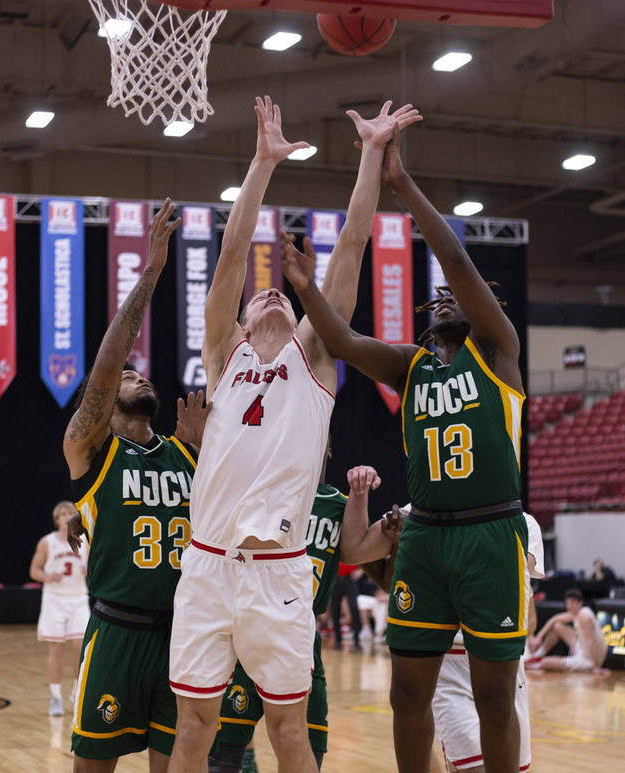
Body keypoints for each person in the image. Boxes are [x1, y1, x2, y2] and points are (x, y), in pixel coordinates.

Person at [167, 95, 421, 773]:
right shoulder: (227, 359)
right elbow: (228, 260)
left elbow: (352, 247)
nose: (270, 293)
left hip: (278, 573)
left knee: (288, 732)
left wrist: (371, 152)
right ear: (243, 324)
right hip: (207, 563)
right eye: (261, 296)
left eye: (280, 291)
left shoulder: (313, 363)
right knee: (192, 726)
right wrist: (261, 162)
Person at [281, 116, 530, 773]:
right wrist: (307, 288)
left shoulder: (499, 352)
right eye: (441, 300)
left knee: (494, 698)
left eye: (463, 299)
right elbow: (341, 341)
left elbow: (454, 258)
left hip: (488, 534)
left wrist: (402, 182)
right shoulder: (407, 365)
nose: (450, 299)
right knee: (404, 691)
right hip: (424, 538)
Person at [63, 198, 202, 772]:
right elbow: (108, 359)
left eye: (141, 373)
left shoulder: (186, 453)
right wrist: (151, 272)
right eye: (128, 375)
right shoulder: (91, 449)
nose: (138, 374)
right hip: (117, 633)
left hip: (183, 637)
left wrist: (200, 447)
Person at [207, 461, 400, 773]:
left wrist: (363, 499)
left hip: (301, 638)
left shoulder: (339, 506)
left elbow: (369, 561)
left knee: (307, 754)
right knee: (224, 758)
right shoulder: (258, 494)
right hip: (246, 629)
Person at [431, 511, 545, 772]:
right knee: (472, 768)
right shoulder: (425, 511)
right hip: (451, 662)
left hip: (506, 663)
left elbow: (529, 620)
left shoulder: (524, 522)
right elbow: (362, 552)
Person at [30, 500, 90, 717]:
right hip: (54, 600)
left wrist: (88, 570)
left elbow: (96, 568)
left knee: (80, 646)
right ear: (56, 520)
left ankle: (76, 691)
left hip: (78, 599)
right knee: (55, 648)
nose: (66, 517)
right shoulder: (47, 542)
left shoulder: (84, 540)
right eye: (62, 514)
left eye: (70, 513)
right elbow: (34, 571)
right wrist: (48, 576)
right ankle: (55, 698)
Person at [528, 589, 609, 674]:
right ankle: (536, 656)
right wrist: (539, 637)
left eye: (572, 604)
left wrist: (596, 667)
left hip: (589, 658)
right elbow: (554, 619)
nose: (569, 606)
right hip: (582, 648)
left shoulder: (584, 617)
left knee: (545, 662)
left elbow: (591, 643)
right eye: (567, 604)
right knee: (557, 626)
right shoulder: (577, 613)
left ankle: (530, 664)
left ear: (580, 603)